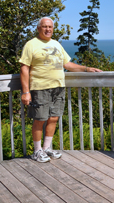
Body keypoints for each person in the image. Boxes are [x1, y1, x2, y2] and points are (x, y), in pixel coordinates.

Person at [19, 17, 102, 162]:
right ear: (39, 28)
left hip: (58, 87)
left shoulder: (56, 44)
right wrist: (26, 92)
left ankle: (46, 148)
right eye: (44, 26)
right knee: (40, 119)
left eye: (50, 27)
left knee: (54, 118)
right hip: (40, 88)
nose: (48, 29)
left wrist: (87, 69)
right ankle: (37, 151)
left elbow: (67, 64)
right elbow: (24, 68)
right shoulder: (31, 45)